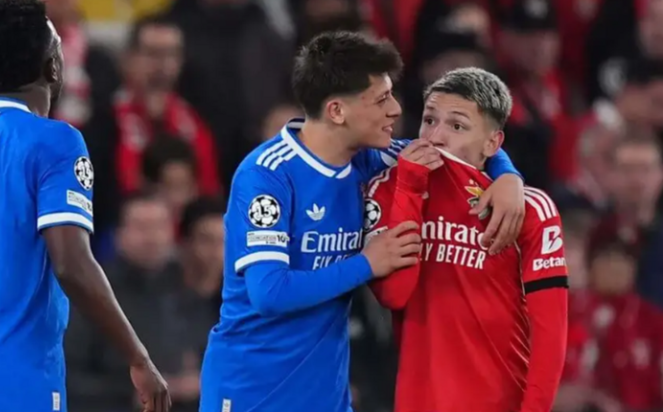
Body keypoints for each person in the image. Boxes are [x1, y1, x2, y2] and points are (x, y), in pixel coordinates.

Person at [199, 31, 526, 412]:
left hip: (326, 396)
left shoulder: (370, 159)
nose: (396, 109)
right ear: (337, 111)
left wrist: (508, 177)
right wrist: (368, 263)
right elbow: (270, 293)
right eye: (381, 99)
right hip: (252, 391)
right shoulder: (267, 176)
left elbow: (454, 152)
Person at [0, 0, 170, 412]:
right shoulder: (55, 142)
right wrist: (138, 356)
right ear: (53, 66)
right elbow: (71, 265)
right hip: (15, 383)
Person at [366, 67, 568, 412]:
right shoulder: (389, 189)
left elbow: (550, 332)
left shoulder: (529, 208)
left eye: (457, 126)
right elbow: (394, 294)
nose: (436, 137)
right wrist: (410, 189)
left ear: (493, 143)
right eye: (429, 120)